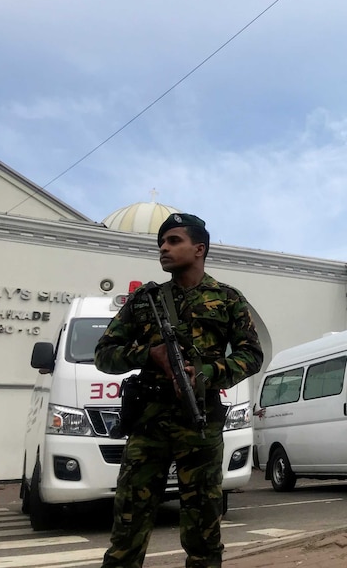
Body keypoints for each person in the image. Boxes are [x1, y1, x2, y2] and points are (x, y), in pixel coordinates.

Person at [95, 213, 265, 566]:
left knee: (203, 529)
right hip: (148, 423)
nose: (163, 248)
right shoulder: (146, 300)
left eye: (174, 241)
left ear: (199, 248)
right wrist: (148, 354)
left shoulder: (227, 298)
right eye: (162, 241)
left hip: (198, 422)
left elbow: (251, 355)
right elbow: (104, 354)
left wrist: (204, 372)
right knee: (128, 525)